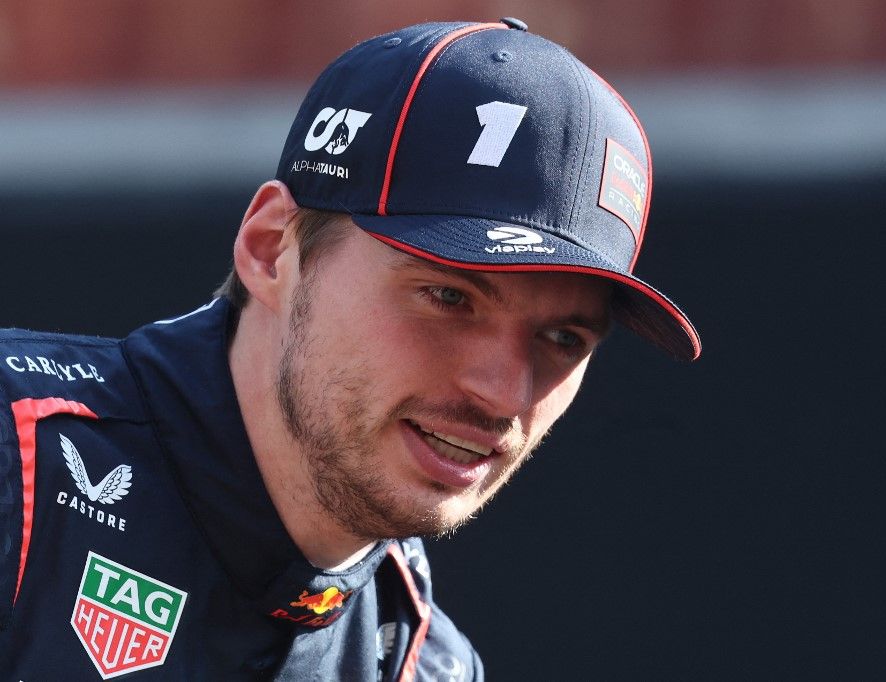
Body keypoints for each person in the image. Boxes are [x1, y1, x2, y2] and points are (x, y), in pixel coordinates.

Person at [0, 18, 700, 681]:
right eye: (450, 297)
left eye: (562, 338)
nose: (503, 393)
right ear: (273, 250)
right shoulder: (19, 466)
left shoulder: (423, 660)